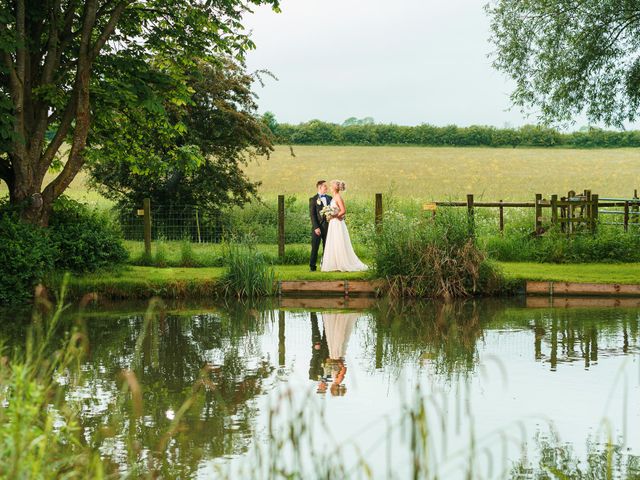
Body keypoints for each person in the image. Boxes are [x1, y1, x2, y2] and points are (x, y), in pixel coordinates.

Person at [320, 180, 368, 272]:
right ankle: (335, 264)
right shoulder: (334, 197)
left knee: (339, 241)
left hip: (337, 223)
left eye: (331, 186)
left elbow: (343, 210)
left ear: (335, 187)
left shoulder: (338, 197)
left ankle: (342, 263)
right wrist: (329, 214)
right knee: (334, 242)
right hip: (333, 223)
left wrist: (334, 216)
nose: (329, 187)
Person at [309, 180, 332, 272]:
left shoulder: (330, 198)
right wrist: (316, 227)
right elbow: (312, 214)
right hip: (317, 227)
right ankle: (312, 266)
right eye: (325, 187)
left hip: (328, 227)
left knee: (327, 247)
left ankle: (325, 265)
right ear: (319, 187)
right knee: (315, 247)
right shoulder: (313, 199)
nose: (326, 188)